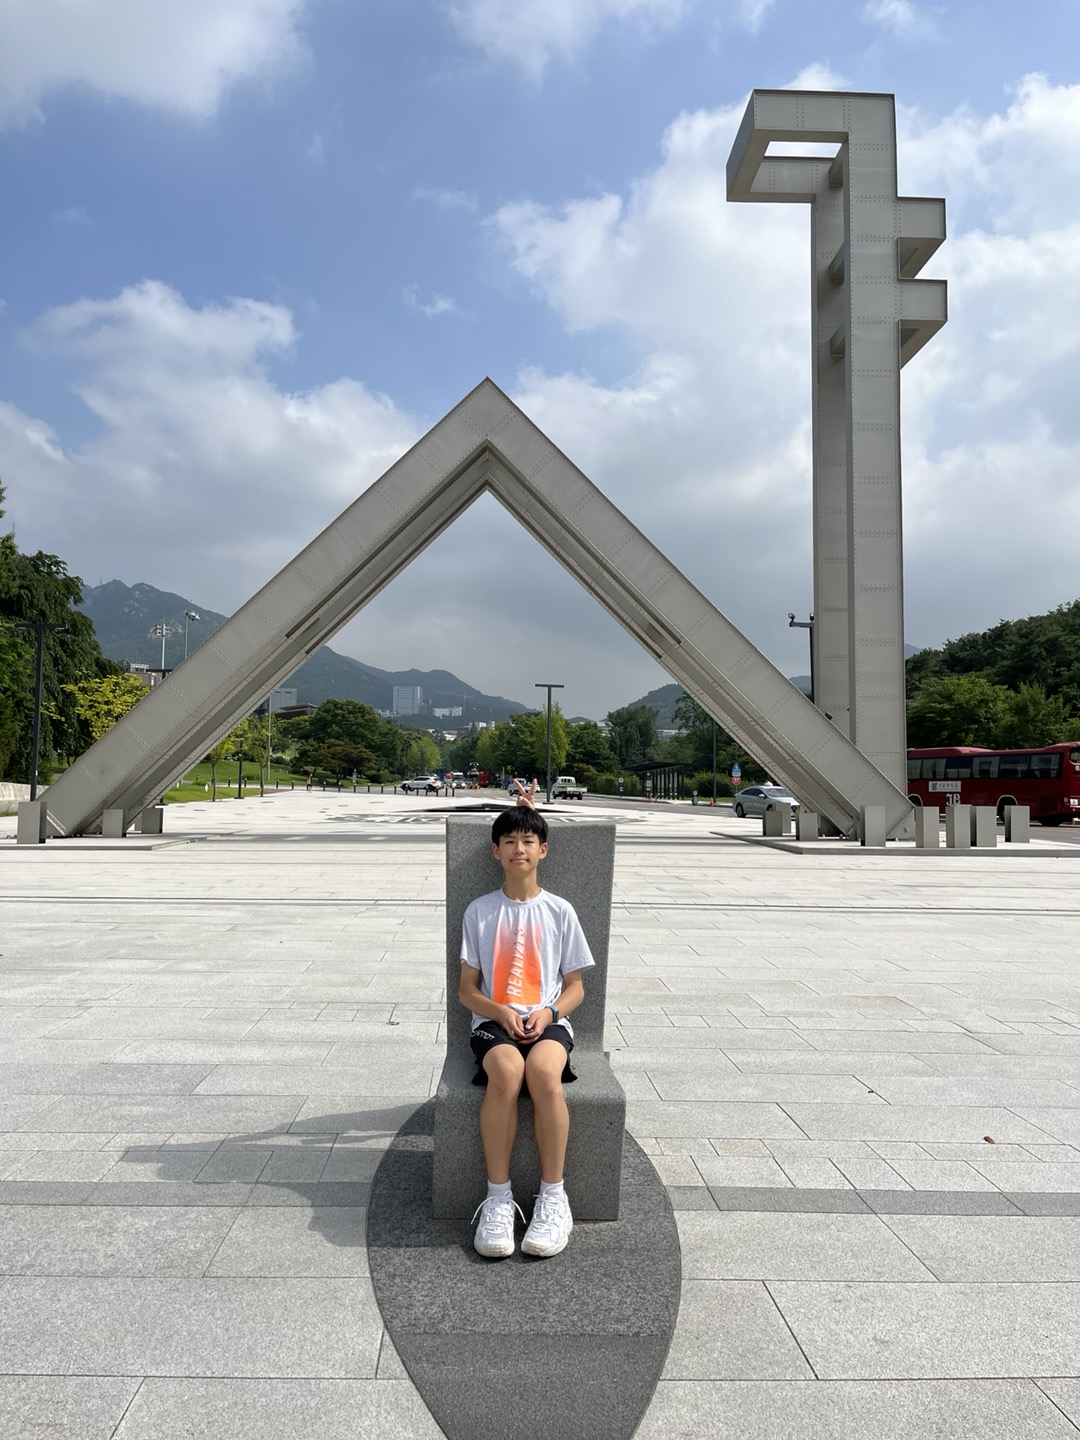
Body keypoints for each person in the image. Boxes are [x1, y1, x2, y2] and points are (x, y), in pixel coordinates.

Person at [458, 804, 594, 1259]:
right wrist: (499, 1012)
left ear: (544, 850)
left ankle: (554, 1198)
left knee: (542, 1074)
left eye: (528, 841)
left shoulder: (560, 910)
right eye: (510, 841)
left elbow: (575, 987)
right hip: (492, 1025)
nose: (520, 848)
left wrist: (550, 1012)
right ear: (495, 851)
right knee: (507, 1073)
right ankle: (499, 1199)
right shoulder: (479, 911)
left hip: (549, 1020)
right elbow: (466, 991)